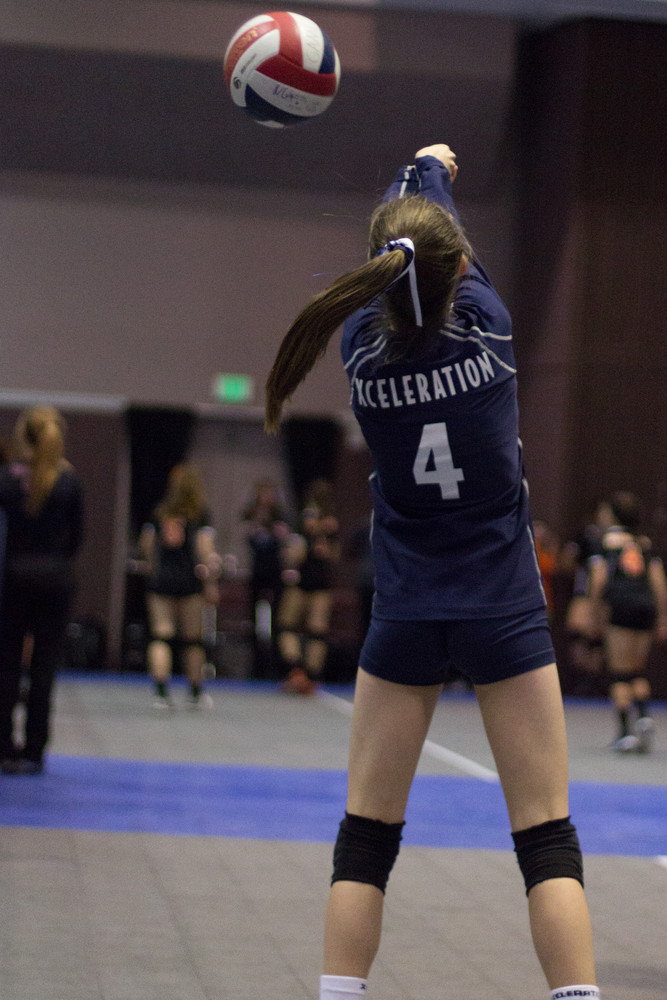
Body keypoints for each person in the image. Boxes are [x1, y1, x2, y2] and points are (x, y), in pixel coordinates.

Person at [265, 144, 598, 999]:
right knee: (545, 837)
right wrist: (430, 165)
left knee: (365, 837)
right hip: (502, 608)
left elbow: (406, 247)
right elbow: (429, 240)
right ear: (458, 272)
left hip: (407, 611)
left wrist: (414, 169)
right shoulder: (487, 324)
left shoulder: (358, 347)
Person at [0, 406, 84, 775]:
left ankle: (4, 746)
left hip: (15, 578)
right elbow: (77, 537)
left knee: (7, 665)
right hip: (55, 579)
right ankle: (35, 749)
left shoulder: (9, 478)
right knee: (43, 667)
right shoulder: (68, 481)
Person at [588, 491, 667, 752]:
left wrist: (595, 611)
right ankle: (643, 716)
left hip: (621, 607)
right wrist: (662, 616)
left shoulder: (605, 543)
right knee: (637, 670)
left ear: (612, 514)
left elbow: (599, 579)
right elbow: (658, 580)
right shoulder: (644, 544)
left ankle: (625, 732)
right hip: (645, 608)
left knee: (620, 672)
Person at [138, 463, 220, 709]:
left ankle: (161, 693)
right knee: (193, 640)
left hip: (162, 579)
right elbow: (205, 549)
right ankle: (195, 692)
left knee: (161, 636)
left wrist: (154, 568)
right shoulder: (199, 515)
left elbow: (146, 546)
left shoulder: (159, 513)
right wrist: (211, 579)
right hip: (188, 580)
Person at [277, 478, 340, 695]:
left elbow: (298, 552)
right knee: (315, 631)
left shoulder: (310, 519)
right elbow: (334, 555)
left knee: (288, 626)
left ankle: (299, 672)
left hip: (305, 579)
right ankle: (308, 675)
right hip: (318, 580)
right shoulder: (329, 522)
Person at [241, 478, 290, 677]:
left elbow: (287, 543)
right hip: (257, 572)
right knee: (255, 620)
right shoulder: (250, 516)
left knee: (276, 620)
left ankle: (275, 665)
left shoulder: (281, 517)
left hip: (275, 572)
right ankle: (256, 665)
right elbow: (246, 539)